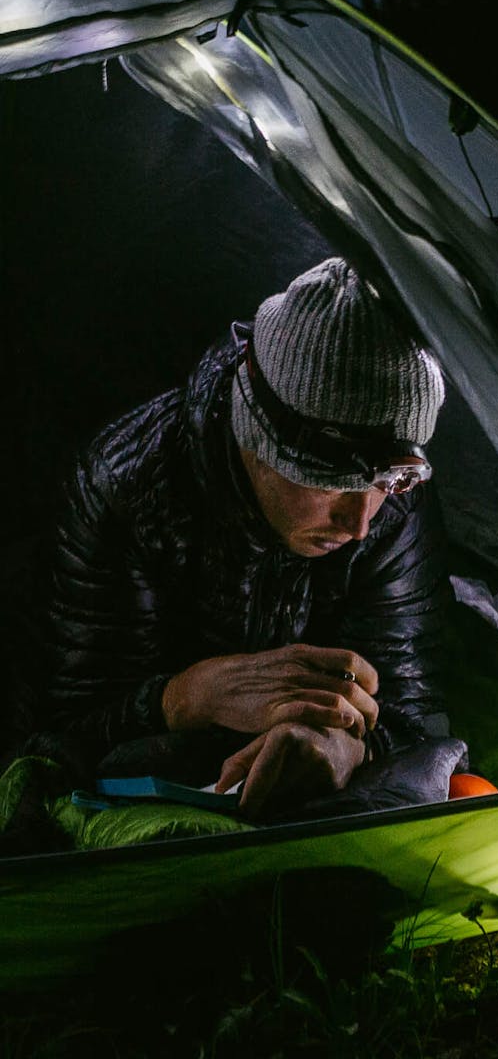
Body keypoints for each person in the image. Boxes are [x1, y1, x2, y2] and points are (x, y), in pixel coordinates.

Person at [42, 257, 453, 819]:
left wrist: (351, 745)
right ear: (255, 439)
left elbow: (414, 708)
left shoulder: (392, 507)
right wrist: (185, 697)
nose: (360, 523)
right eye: (328, 483)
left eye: (387, 482)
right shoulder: (127, 488)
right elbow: (67, 726)